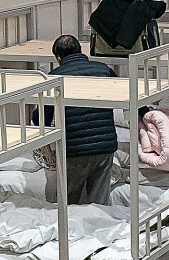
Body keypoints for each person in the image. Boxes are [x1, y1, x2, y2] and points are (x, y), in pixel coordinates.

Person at [41, 35, 119, 204]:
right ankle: (101, 229)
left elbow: (42, 117)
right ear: (80, 50)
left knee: (69, 204)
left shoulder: (54, 77)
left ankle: (70, 230)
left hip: (76, 150)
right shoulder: (104, 70)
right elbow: (128, 92)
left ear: (58, 57)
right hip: (105, 146)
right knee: (100, 203)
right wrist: (145, 112)